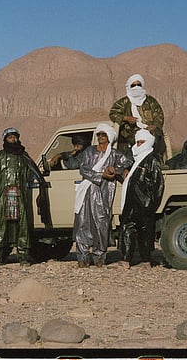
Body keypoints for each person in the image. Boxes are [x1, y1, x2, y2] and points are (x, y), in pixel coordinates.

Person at [73, 123, 132, 268]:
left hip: (104, 192)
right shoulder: (89, 151)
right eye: (99, 134)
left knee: (101, 223)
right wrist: (101, 175)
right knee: (83, 222)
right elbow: (83, 169)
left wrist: (115, 170)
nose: (100, 137)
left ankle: (99, 257)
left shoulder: (114, 154)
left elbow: (127, 163)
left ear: (109, 137)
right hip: (87, 191)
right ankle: (83, 257)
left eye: (103, 135)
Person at [0, 127, 36, 266]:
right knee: (0, 225)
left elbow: (28, 174)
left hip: (19, 195)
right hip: (2, 197)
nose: (13, 139)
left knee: (22, 226)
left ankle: (23, 257)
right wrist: (1, 187)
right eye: (10, 137)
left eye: (15, 137)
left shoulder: (24, 156)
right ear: (5, 139)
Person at [119, 129, 165, 267]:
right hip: (131, 202)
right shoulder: (136, 160)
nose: (139, 145)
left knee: (145, 231)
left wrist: (150, 204)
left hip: (145, 203)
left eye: (142, 142)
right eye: (137, 142)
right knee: (127, 227)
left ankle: (146, 260)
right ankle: (126, 260)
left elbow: (158, 184)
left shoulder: (152, 159)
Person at [109, 74, 166, 160]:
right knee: (140, 138)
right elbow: (113, 114)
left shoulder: (150, 101)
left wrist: (154, 126)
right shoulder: (124, 102)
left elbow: (159, 116)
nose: (136, 87)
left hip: (151, 130)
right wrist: (127, 118)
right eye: (133, 85)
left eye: (138, 85)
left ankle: (157, 160)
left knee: (156, 135)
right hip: (131, 132)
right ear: (129, 87)